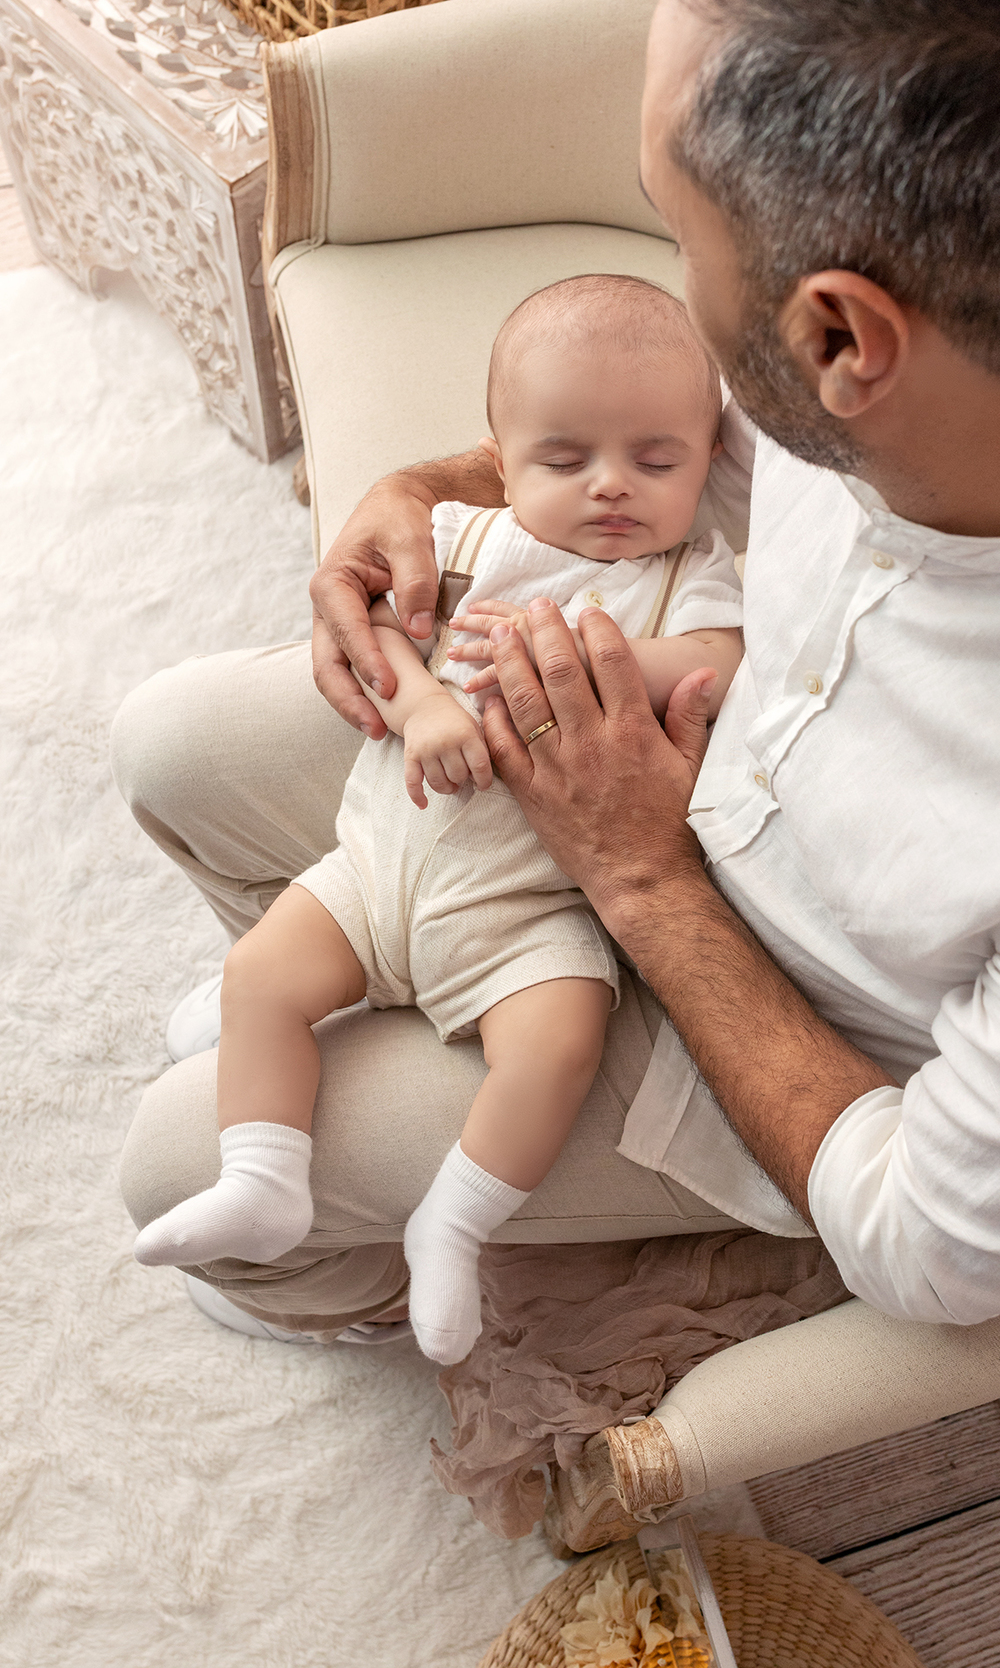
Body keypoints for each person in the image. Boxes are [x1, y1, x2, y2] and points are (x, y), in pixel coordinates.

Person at [115, 0, 1000, 1352]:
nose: (661, 289)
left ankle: (366, 1284)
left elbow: (936, 1246)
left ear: (840, 337)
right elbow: (704, 440)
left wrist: (641, 881)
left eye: (674, 242)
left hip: (750, 1018)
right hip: (575, 768)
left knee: (176, 1166)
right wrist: (428, 482)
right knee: (171, 747)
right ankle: (385, 979)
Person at [128, 274, 743, 1363]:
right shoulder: (471, 539)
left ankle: (450, 1224)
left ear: (710, 456)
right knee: (259, 977)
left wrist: (591, 655)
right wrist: (415, 710)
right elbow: (378, 629)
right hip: (374, 870)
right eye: (566, 460)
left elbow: (715, 662)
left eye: (658, 461)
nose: (612, 489)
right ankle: (261, 1179)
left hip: (528, 913)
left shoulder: (688, 575)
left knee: (555, 1048)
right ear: (500, 458)